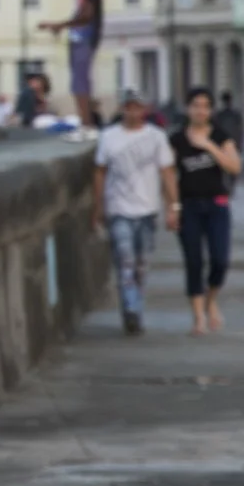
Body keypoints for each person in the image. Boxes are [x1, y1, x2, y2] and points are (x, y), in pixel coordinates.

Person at [91, 90, 177, 336]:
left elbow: (167, 172)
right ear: (122, 109)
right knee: (125, 260)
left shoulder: (156, 137)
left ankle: (135, 307)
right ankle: (130, 308)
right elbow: (100, 171)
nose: (133, 111)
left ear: (145, 109)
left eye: (137, 107)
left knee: (141, 264)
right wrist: (97, 207)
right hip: (119, 208)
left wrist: (173, 206)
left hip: (147, 210)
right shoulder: (108, 137)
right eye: (128, 107)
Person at [170, 86, 242, 336]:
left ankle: (212, 299)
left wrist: (209, 146)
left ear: (210, 110)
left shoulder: (221, 136)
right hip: (188, 206)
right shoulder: (177, 139)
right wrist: (172, 207)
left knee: (220, 260)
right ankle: (198, 315)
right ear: (188, 108)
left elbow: (234, 167)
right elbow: (168, 176)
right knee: (193, 261)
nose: (200, 110)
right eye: (196, 105)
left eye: (205, 106)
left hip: (217, 205)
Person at [40, 0, 104, 139]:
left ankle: (87, 125)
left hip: (85, 38)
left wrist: (60, 25)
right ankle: (85, 122)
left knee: (81, 83)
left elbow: (86, 16)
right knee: (78, 83)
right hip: (78, 38)